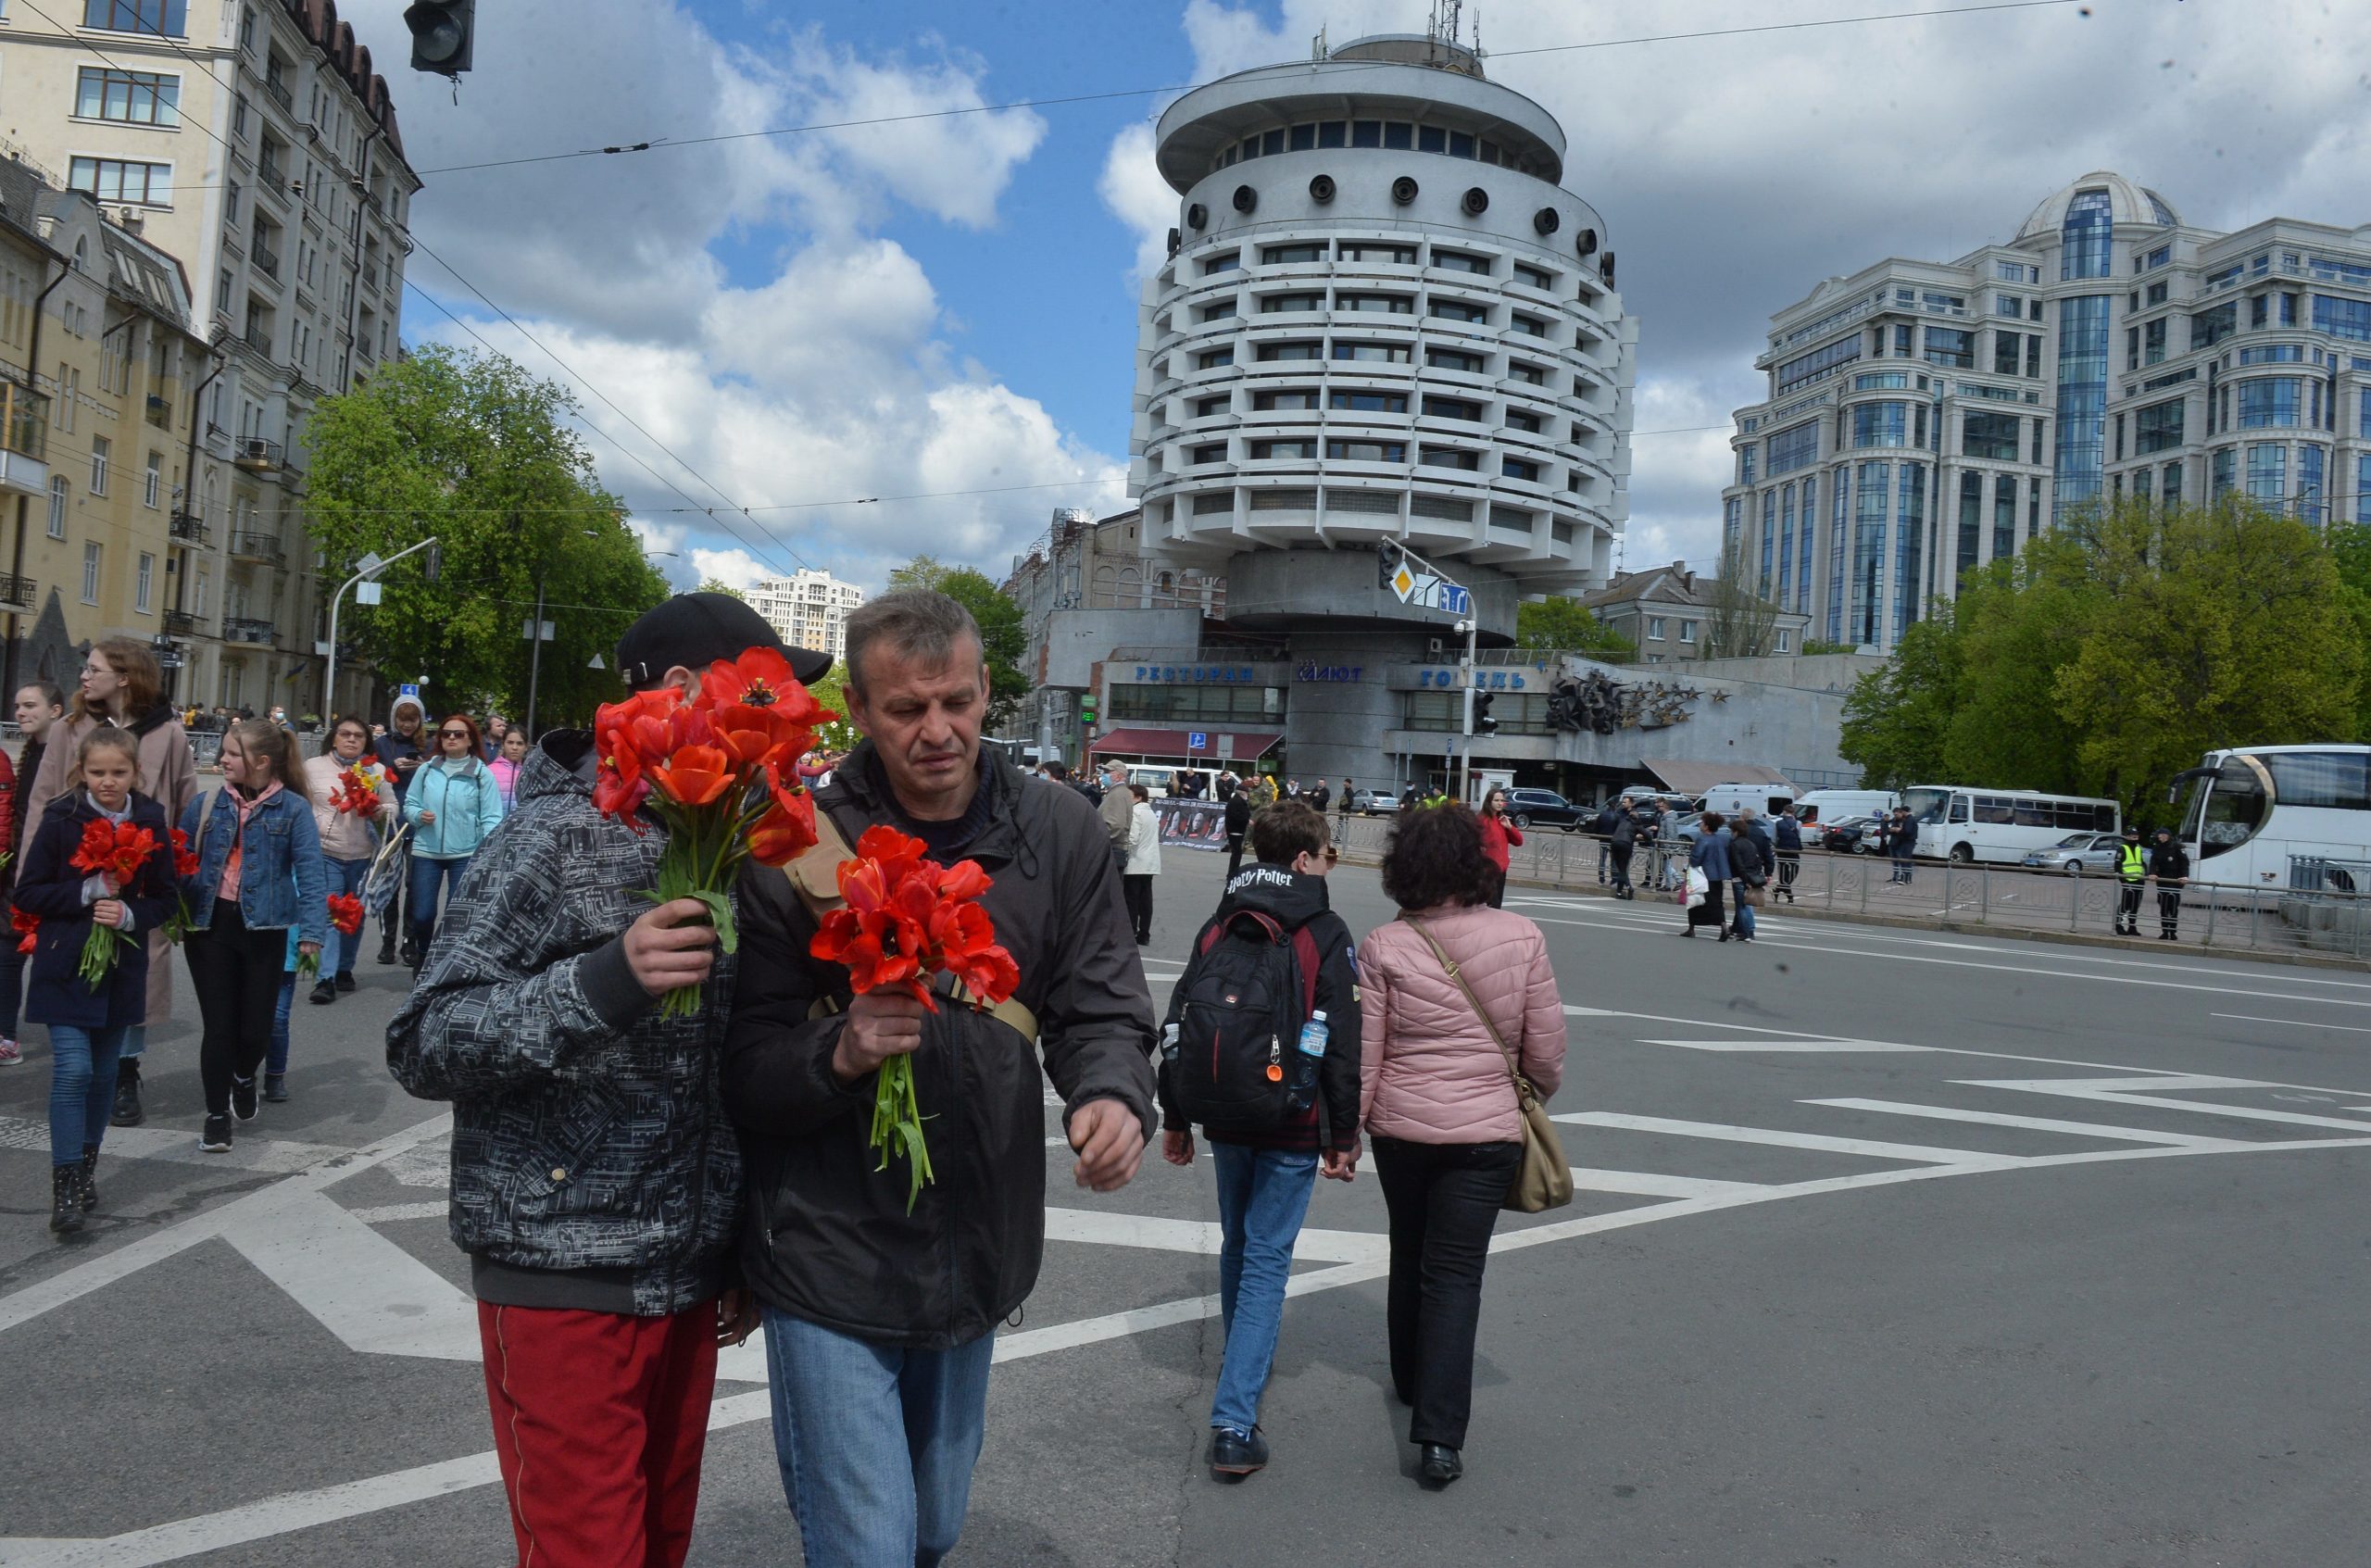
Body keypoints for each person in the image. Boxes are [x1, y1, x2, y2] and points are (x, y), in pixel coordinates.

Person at [389, 591, 824, 1568]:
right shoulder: (551, 835)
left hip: (683, 1277)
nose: (786, 718)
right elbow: (426, 1038)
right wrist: (604, 982)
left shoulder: (740, 839)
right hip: (558, 1268)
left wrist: (736, 1247)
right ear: (680, 693)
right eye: (765, 693)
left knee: (656, 1550)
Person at [723, 589, 1156, 1568]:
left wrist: (1112, 1093)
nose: (937, 732)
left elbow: (1101, 1008)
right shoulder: (794, 845)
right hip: (825, 1252)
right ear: (859, 714)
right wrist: (836, 1053)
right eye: (906, 710)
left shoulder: (1059, 832)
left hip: (975, 1250)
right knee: (869, 1547)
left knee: (932, 1530)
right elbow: (742, 1068)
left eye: (956, 702)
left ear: (986, 690)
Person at [1355, 803, 1565, 1486]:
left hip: (1402, 1126)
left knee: (1408, 1248)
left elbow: (1368, 1053)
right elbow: (1546, 1052)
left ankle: (1409, 1377)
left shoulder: (1385, 944)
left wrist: (1347, 1131)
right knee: (1456, 1273)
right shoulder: (1522, 934)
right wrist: (1520, 1092)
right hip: (1487, 1132)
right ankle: (1440, 1437)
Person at [1160, 800, 1360, 1479]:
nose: (1329, 863)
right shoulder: (1325, 930)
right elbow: (1339, 1039)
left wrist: (1176, 1115)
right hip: (1292, 1117)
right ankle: (1234, 1421)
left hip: (1224, 1108)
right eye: (1328, 852)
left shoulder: (1222, 920)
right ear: (1304, 859)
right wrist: (1344, 1131)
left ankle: (1241, 1359)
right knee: (1269, 1255)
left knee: (1239, 1243)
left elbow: (1180, 1016)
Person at [28, 639, 197, 1127]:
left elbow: (184, 801)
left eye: (94, 668)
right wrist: (30, 878)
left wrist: (174, 868)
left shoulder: (167, 732)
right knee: (74, 964)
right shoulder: (71, 728)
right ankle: (78, 1068)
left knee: (136, 974)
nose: (84, 676)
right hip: (74, 868)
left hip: (140, 873)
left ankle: (125, 1071)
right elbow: (44, 798)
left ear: (124, 676)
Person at [19, 725, 175, 1232]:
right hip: (64, 964)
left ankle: (86, 1171)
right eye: (97, 772)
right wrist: (89, 891)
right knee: (73, 1071)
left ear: (135, 772)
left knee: (105, 1074)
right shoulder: (63, 816)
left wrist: (129, 916)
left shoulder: (150, 818)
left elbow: (166, 897)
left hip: (119, 967)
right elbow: (29, 893)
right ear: (81, 772)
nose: (108, 782)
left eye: (118, 772)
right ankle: (63, 1185)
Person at [180, 720, 327, 1153]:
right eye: (222, 750)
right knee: (219, 1027)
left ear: (261, 762)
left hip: (265, 927)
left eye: (231, 753)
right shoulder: (206, 802)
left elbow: (311, 873)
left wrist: (312, 933)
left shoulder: (294, 809)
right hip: (210, 925)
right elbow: (180, 857)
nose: (221, 759)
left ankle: (245, 1076)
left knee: (256, 1031)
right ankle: (215, 1116)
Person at [301, 715, 396, 1008]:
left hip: (362, 854)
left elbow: (393, 807)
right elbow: (301, 804)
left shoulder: (376, 770)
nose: (352, 739)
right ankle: (325, 978)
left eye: (358, 735)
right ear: (334, 737)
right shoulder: (312, 768)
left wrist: (381, 810)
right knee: (331, 915)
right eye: (345, 734)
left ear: (366, 742)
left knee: (352, 916)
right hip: (325, 852)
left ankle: (344, 967)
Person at [403, 713, 506, 970]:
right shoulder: (427, 769)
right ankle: (424, 953)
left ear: (470, 739)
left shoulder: (481, 774)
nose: (451, 738)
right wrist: (417, 815)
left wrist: (484, 848)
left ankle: (443, 965)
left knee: (456, 916)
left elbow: (492, 816)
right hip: (427, 851)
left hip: (465, 854)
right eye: (445, 733)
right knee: (422, 915)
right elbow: (410, 803)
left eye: (458, 734)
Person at [0, 681, 64, 1067]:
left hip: (49, 871)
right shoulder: (31, 751)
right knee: (7, 954)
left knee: (48, 957)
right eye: (18, 706)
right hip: (20, 869)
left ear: (55, 710)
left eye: (30, 706)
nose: (21, 712)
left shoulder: (61, 752)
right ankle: (7, 1033)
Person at [374, 695, 429, 966]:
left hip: (417, 823)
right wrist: (390, 768)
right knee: (390, 884)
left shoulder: (427, 746)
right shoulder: (382, 744)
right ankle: (387, 942)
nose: (407, 725)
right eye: (402, 719)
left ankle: (409, 941)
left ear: (420, 720)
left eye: (412, 719)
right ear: (394, 718)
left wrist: (423, 767)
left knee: (413, 884)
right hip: (390, 823)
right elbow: (369, 777)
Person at [1123, 781, 1160, 946]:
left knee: (1132, 899)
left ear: (1138, 797)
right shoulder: (1150, 812)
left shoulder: (1135, 812)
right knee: (1145, 900)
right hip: (1150, 862)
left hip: (1136, 861)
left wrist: (1122, 847)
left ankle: (1131, 930)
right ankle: (1144, 933)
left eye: (1130, 796)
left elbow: (1133, 837)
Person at [1474, 785, 1524, 909]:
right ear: (1489, 802)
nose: (1500, 803)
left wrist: (1509, 827)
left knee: (1496, 906)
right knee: (1490, 905)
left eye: (1502, 801)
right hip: (1488, 870)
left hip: (1501, 869)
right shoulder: (1482, 820)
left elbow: (1519, 841)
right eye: (1496, 800)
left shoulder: (1501, 820)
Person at [1685, 810, 1731, 938]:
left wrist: (1691, 862)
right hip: (1718, 875)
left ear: (1706, 826)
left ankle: (1691, 928)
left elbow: (1696, 858)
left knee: (1695, 901)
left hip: (1703, 875)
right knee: (1716, 902)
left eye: (1702, 823)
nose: (1700, 825)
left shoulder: (1702, 840)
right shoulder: (1721, 839)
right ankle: (1723, 925)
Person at [1727, 816, 1766, 943]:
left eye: (1732, 831)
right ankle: (1744, 930)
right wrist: (1753, 877)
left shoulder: (1735, 845)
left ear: (1736, 832)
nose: (1731, 833)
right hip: (1752, 877)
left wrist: (1745, 880)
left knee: (1741, 906)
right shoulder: (1751, 844)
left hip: (1740, 879)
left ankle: (1745, 932)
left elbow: (1738, 865)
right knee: (1745, 905)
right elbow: (1758, 862)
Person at [2149, 825, 2189, 941]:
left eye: (2160, 835)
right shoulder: (2157, 848)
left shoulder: (2176, 847)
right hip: (2162, 882)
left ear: (2166, 836)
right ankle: (2165, 931)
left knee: (2173, 908)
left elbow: (2184, 863)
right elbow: (2153, 862)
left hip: (2175, 882)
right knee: (2163, 908)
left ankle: (2173, 932)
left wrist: (2185, 876)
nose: (2159, 837)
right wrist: (2152, 873)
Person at [1097, 758, 1135, 874]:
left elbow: (1116, 825)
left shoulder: (1117, 794)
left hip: (1113, 849)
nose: (1103, 775)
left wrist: (1096, 838)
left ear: (1118, 776)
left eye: (1108, 772)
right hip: (1115, 849)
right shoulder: (1118, 792)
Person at [2114, 823, 2148, 935]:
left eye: (2136, 836)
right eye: (2133, 836)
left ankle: (2132, 927)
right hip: (2128, 881)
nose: (2135, 838)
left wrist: (2145, 873)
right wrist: (2123, 881)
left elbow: (2141, 862)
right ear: (2127, 837)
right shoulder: (2122, 848)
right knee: (2125, 905)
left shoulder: (2138, 848)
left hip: (2139, 881)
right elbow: (2117, 866)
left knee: (2135, 906)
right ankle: (2118, 926)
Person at [488, 725, 531, 810]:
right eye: (510, 742)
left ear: (526, 747)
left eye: (519, 743)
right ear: (503, 744)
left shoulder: (530, 773)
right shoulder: (489, 771)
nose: (514, 748)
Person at [1608, 797, 1638, 900]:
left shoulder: (1634, 815)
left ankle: (1623, 890)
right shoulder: (1620, 812)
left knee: (1622, 869)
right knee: (1621, 869)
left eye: (1625, 802)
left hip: (1624, 844)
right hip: (1619, 842)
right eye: (1623, 802)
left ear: (1631, 804)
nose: (1623, 803)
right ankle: (1623, 889)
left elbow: (1636, 828)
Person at [1773, 805, 1804, 904]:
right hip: (1794, 851)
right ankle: (1788, 894)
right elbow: (1799, 836)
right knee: (1794, 871)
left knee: (1783, 872)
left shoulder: (1778, 823)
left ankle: (1779, 889)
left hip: (1781, 850)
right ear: (1793, 813)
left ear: (1784, 812)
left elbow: (1775, 838)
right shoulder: (1798, 823)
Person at [1223, 782, 1252, 884]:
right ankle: (1232, 874)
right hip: (1235, 830)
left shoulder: (1237, 801)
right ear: (1243, 793)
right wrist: (1247, 820)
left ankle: (1233, 873)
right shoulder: (1237, 802)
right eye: (1247, 793)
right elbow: (1236, 816)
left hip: (1236, 830)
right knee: (1237, 853)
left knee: (1237, 853)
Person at [1886, 806, 1919, 886]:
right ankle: (1906, 878)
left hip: (1907, 842)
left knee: (1905, 860)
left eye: (1901, 812)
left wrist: (1899, 830)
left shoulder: (1909, 819)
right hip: (1906, 841)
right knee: (1904, 860)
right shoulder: (1908, 819)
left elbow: (1907, 831)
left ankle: (1905, 878)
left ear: (1904, 811)